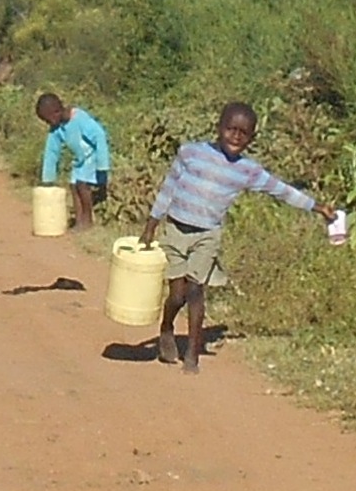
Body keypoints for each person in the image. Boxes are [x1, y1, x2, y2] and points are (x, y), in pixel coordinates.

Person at [138, 102, 336, 373]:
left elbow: (282, 190)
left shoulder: (247, 171)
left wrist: (317, 207)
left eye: (244, 133)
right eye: (230, 129)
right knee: (177, 294)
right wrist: (151, 225)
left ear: (251, 138)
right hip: (176, 230)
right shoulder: (191, 153)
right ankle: (167, 327)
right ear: (218, 128)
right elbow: (168, 188)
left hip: (208, 234)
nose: (236, 137)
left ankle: (192, 354)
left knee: (196, 291)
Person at [34, 92, 111, 231]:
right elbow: (51, 152)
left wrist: (102, 165)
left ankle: (88, 220)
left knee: (82, 185)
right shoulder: (57, 129)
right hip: (80, 160)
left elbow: (99, 135)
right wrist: (48, 179)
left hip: (92, 157)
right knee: (73, 186)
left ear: (56, 112)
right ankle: (79, 220)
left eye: (48, 120)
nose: (48, 124)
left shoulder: (80, 119)